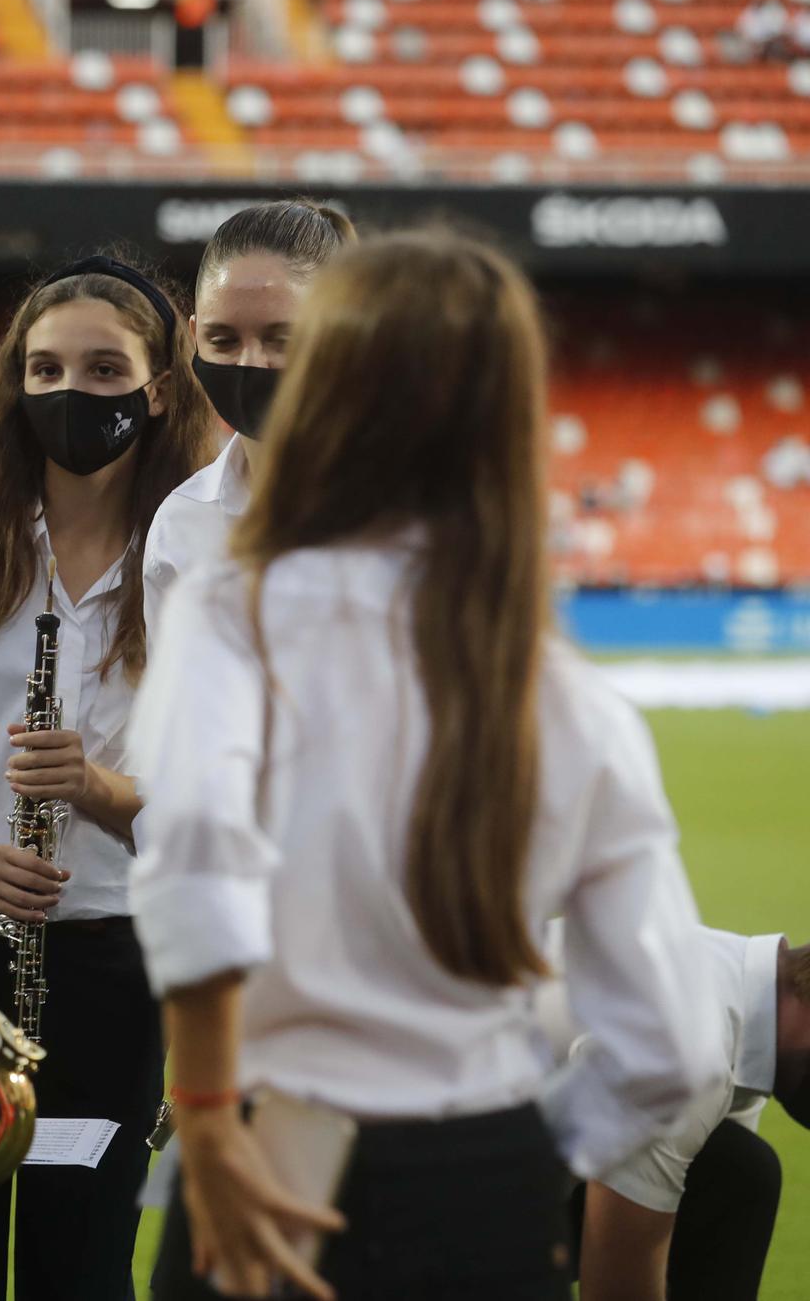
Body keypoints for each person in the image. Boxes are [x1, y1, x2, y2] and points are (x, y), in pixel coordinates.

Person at [130, 231, 721, 1301]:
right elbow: (671, 1048)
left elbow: (192, 853)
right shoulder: (564, 692)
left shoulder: (233, 613)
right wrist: (522, 1154)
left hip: (271, 1141)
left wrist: (207, 1117)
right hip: (482, 1176)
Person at [0, 252, 214, 1301]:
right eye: (43, 369)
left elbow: (220, 803)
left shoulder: (192, 559)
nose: (69, 393)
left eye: (101, 369)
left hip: (112, 952)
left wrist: (100, 791)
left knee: (80, 1263)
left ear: (158, 387)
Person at [142, 199, 354, 652]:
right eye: (223, 340)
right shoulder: (182, 523)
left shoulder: (411, 510)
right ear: (195, 336)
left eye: (282, 339)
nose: (249, 363)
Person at [568, 926, 810, 1301]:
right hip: (455, 1188)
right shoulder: (690, 1053)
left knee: (739, 1169)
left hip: (513, 1164)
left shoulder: (739, 1005)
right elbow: (615, 1291)